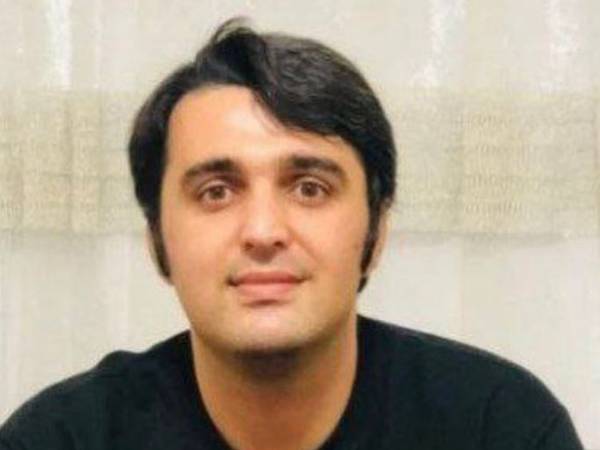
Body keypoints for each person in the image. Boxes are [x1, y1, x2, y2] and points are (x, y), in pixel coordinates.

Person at [0, 18, 583, 450]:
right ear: (157, 240)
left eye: (309, 188)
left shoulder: (499, 426)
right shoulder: (59, 438)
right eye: (216, 192)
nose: (263, 231)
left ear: (377, 230)